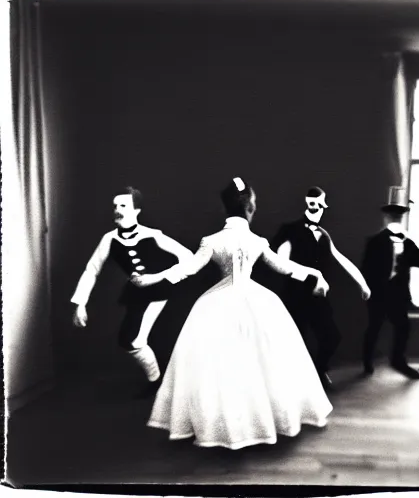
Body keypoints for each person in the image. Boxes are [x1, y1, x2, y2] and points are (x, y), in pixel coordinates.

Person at [131, 177, 333, 450]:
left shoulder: (212, 241)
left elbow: (186, 270)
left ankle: (224, 424)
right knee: (258, 361)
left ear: (226, 207)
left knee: (222, 365)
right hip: (256, 301)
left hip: (217, 304)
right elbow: (284, 267)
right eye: (255, 203)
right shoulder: (257, 241)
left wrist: (150, 279)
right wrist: (314, 273)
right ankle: (256, 423)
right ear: (250, 207)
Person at [71, 186, 193, 397]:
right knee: (130, 340)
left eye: (123, 206)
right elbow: (91, 270)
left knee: (134, 340)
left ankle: (158, 384)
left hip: (158, 293)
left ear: (137, 211)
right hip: (136, 294)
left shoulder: (153, 235)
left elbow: (189, 258)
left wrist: (158, 277)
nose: (117, 210)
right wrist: (80, 303)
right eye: (115, 206)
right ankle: (158, 383)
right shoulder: (109, 239)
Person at [271, 186, 371, 389]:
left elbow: (340, 258)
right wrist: (311, 278)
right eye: (311, 203)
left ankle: (319, 371)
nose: (315, 207)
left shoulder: (324, 234)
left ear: (324, 206)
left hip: (318, 299)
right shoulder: (290, 229)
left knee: (332, 336)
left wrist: (362, 283)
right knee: (294, 340)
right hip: (295, 297)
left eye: (319, 204)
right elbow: (282, 264)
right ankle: (293, 383)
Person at [361, 186, 419, 379]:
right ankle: (367, 361)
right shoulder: (375, 241)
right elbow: (366, 269)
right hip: (378, 294)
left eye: (398, 216)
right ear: (385, 217)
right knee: (374, 328)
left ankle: (398, 360)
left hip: (398, 294)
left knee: (403, 328)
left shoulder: (408, 242)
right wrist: (369, 290)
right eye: (392, 215)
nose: (395, 219)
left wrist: (411, 246)